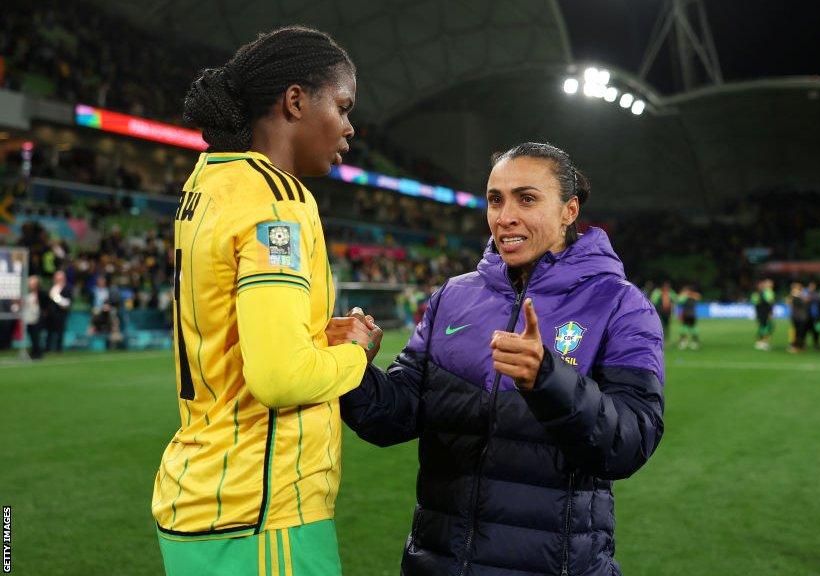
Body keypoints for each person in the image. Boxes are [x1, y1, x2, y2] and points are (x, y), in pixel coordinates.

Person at [334, 142, 665, 576]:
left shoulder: (621, 305)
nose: (504, 215)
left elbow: (629, 443)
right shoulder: (453, 297)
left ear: (569, 210)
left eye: (526, 198)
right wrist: (352, 367)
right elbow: (394, 417)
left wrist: (548, 379)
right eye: (495, 199)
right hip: (437, 564)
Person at [151, 27, 373, 576]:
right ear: (295, 101)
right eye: (342, 107)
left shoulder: (208, 183)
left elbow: (239, 334)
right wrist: (358, 353)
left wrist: (315, 337)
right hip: (259, 513)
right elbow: (279, 378)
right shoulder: (277, 202)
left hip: (204, 492)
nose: (350, 127)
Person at [46, 269, 71, 352]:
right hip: (51, 314)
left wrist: (56, 298)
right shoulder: (52, 287)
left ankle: (58, 349)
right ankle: (48, 348)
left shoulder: (67, 288)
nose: (57, 280)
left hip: (61, 313)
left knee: (60, 332)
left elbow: (67, 302)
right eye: (56, 278)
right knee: (50, 332)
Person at [751, 279, 775, 350]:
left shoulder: (763, 292)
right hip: (763, 313)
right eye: (769, 283)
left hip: (762, 312)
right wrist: (770, 312)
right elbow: (769, 303)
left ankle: (762, 342)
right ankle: (762, 342)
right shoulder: (766, 292)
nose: (771, 284)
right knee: (765, 327)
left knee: (766, 327)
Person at [677, 284, 701, 350]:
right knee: (693, 328)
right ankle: (695, 343)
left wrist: (684, 294)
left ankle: (683, 343)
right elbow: (698, 297)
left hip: (686, 314)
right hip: (692, 314)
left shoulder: (684, 297)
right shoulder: (694, 296)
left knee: (684, 328)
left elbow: (679, 301)